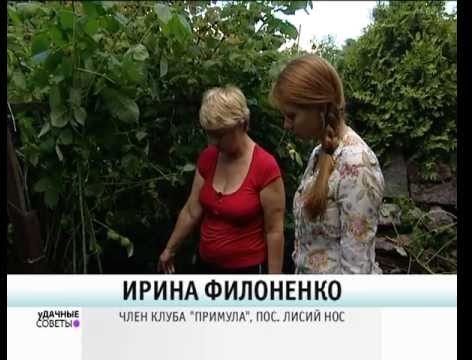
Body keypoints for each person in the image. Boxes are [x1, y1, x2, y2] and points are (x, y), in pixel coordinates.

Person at [270, 55, 385, 274]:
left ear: (319, 107)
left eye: (292, 116)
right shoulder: (320, 153)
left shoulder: (358, 165)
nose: (286, 125)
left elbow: (356, 272)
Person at [158, 85, 285, 274]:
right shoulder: (208, 157)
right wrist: (170, 248)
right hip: (206, 265)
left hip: (245, 271)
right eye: (210, 134)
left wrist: (274, 284)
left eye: (220, 135)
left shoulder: (265, 167)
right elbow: (192, 210)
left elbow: (274, 231)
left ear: (242, 124)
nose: (213, 142)